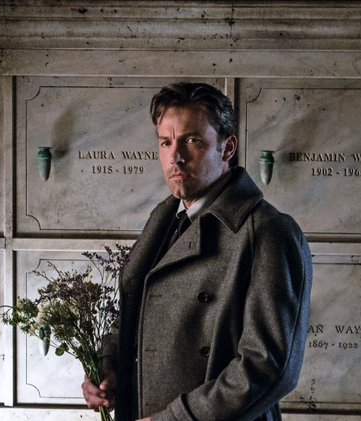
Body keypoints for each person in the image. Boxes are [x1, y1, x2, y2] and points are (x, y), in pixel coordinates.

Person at [82, 82, 313, 421]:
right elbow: (140, 313)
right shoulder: (163, 219)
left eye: (192, 141)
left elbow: (268, 367)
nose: (175, 156)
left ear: (227, 147)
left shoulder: (268, 232)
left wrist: (176, 419)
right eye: (166, 142)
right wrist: (107, 368)